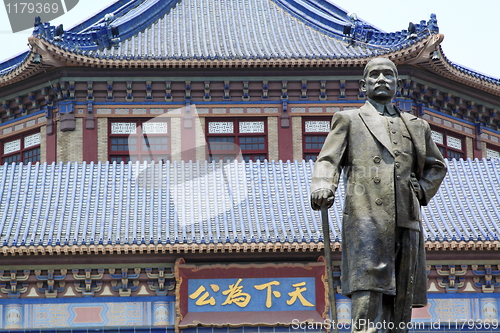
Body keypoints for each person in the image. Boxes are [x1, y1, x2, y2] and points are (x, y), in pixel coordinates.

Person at [310, 58, 447, 333]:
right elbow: (328, 159)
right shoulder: (349, 120)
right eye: (374, 75)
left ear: (398, 84)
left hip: (407, 220)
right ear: (364, 85)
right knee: (368, 288)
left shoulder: (416, 126)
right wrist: (323, 185)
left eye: (388, 74)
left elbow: (437, 165)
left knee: (402, 299)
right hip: (366, 218)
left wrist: (421, 189)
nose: (382, 79)